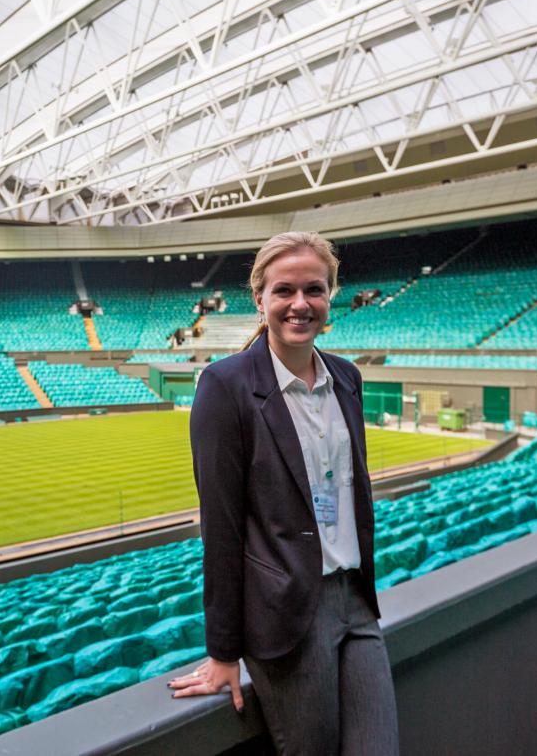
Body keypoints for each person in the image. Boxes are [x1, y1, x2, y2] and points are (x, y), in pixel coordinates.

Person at [168, 232, 399, 755]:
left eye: (314, 290)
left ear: (331, 295)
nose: (300, 304)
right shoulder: (224, 386)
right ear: (261, 300)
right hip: (288, 615)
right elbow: (221, 528)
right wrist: (224, 652)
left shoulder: (347, 376)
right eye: (284, 291)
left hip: (356, 601)